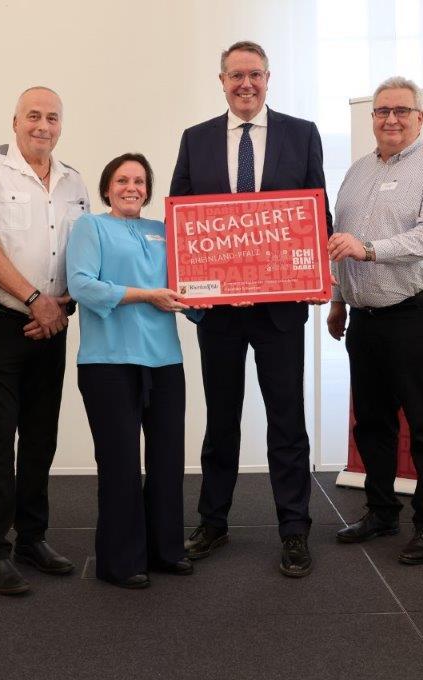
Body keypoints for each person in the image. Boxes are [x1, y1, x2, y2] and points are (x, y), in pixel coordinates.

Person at [170, 40, 333, 577]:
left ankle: (293, 529)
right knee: (221, 418)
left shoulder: (301, 133)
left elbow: (317, 213)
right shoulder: (195, 140)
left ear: (269, 79)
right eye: (236, 75)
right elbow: (182, 220)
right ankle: (213, 522)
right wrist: (192, 290)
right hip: (219, 311)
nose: (246, 84)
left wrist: (316, 277)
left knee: (287, 420)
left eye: (255, 75)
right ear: (221, 80)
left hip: (281, 310)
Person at [0, 87, 90, 594]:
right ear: (14, 121)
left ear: (61, 125)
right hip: (2, 322)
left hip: (53, 324)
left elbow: (83, 256)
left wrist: (61, 307)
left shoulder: (75, 181)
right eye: (33, 116)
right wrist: (36, 298)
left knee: (41, 436)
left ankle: (32, 537)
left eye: (52, 117)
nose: (43, 125)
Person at [327, 76, 423, 564]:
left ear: (420, 118)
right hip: (365, 317)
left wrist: (368, 250)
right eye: (383, 110)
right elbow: (340, 241)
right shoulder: (357, 172)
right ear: (372, 119)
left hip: (421, 311)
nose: (391, 119)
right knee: (372, 421)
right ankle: (381, 511)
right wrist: (339, 299)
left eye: (402, 111)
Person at [67, 153, 196, 589]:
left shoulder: (164, 231)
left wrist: (226, 296)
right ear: (107, 187)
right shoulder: (90, 227)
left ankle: (166, 551)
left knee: (167, 461)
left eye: (140, 181)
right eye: (122, 180)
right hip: (109, 363)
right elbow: (81, 285)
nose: (131, 187)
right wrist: (147, 296)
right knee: (120, 464)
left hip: (164, 362)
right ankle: (121, 561)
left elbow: (186, 291)